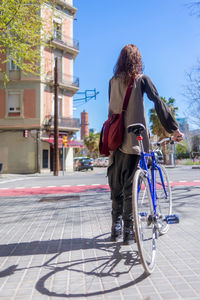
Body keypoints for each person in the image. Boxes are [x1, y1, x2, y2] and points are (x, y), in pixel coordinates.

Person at [107, 44, 183, 245]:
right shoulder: (141, 80)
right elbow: (157, 102)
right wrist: (173, 129)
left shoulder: (112, 82)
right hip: (135, 141)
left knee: (116, 185)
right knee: (132, 187)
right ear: (137, 60)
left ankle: (115, 228)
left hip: (114, 140)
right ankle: (129, 232)